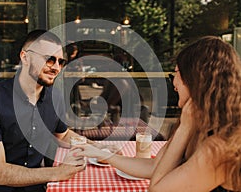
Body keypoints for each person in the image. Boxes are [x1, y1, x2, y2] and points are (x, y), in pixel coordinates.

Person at [74, 36, 241, 191]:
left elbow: (157, 189)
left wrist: (185, 126)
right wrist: (103, 154)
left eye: (176, 73)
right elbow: (154, 167)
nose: (174, 83)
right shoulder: (203, 125)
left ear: (197, 80)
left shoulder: (220, 147)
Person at [0, 30, 114, 192]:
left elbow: (63, 135)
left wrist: (98, 148)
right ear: (25, 57)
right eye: (49, 59)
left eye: (61, 62)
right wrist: (59, 172)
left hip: (33, 186)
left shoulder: (55, 98)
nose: (56, 67)